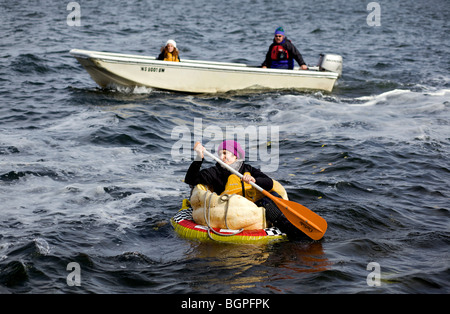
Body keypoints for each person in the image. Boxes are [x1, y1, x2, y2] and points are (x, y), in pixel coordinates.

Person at [184, 140, 304, 237]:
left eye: (225, 153)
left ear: (235, 155)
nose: (222, 157)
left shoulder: (247, 169)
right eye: (220, 153)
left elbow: (269, 183)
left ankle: (292, 226)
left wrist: (254, 180)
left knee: (270, 200)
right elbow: (190, 179)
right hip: (229, 207)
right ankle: (292, 231)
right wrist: (199, 157)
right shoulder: (215, 172)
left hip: (252, 204)